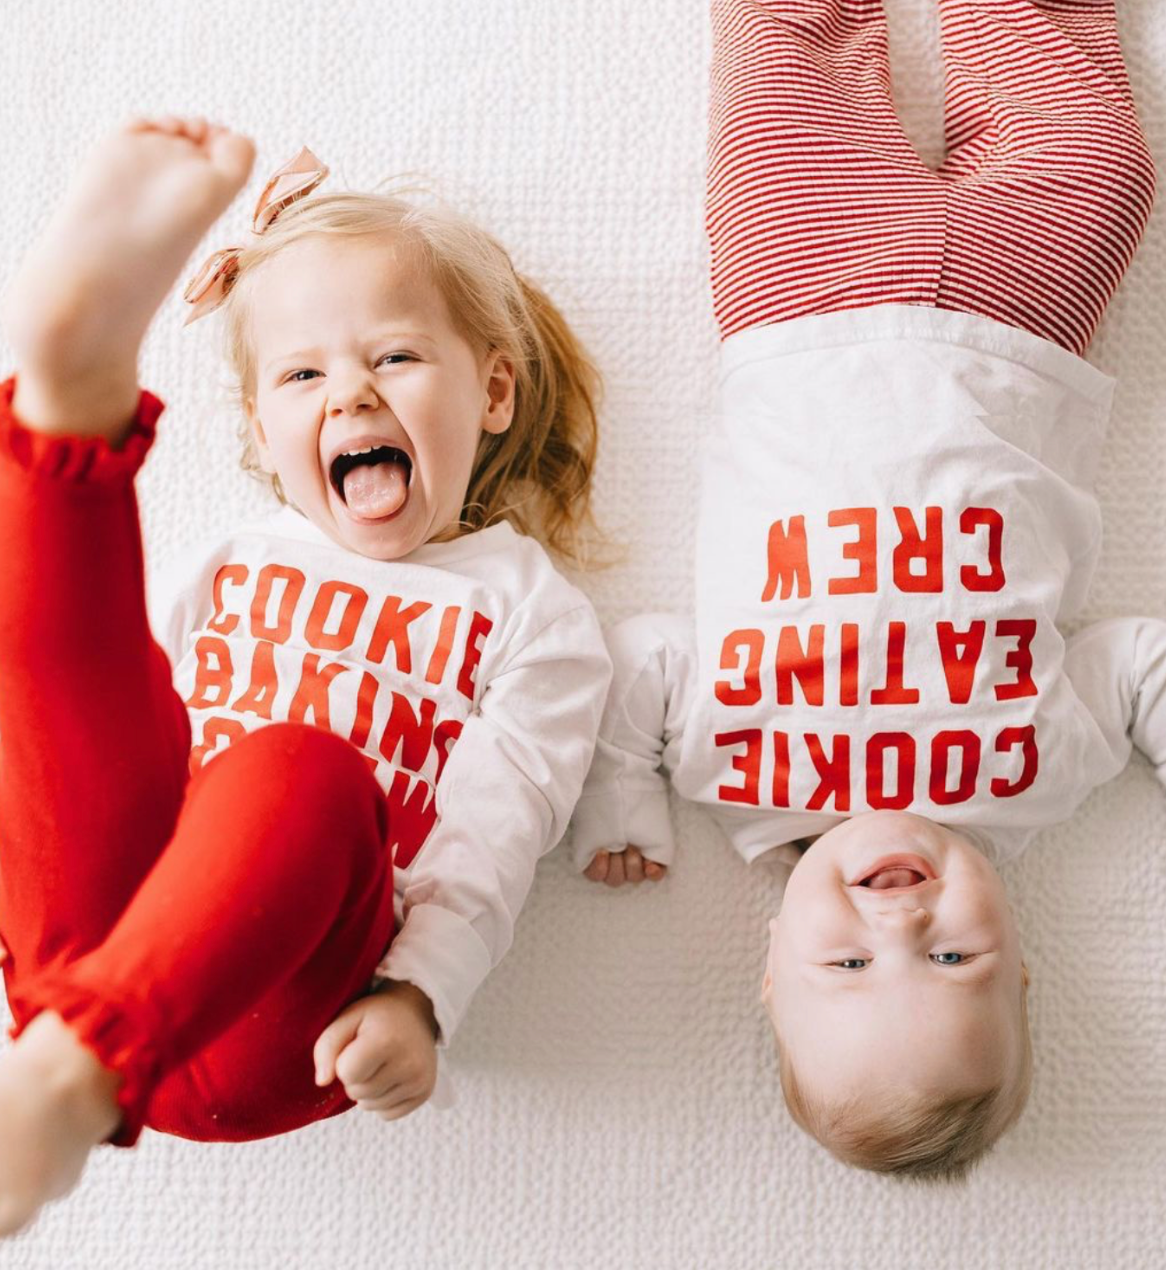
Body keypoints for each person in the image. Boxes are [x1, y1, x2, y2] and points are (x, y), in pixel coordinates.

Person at [574, 0, 1163, 1181]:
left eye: (846, 968)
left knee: (783, 63)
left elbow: (640, 660)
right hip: (1023, 325)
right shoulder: (1036, 771)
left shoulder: (731, 769)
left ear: (772, 958)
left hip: (803, 304)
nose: (898, 924)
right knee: (1097, 158)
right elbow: (1136, 661)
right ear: (1022, 959)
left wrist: (617, 796)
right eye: (952, 962)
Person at [0, 115, 612, 1236]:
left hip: (282, 1018)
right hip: (93, 936)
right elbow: (93, 743)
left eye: (393, 356)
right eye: (300, 373)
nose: (349, 395)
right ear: (259, 424)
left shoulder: (531, 610)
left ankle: (77, 1067)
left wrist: (421, 994)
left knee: (297, 771)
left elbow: (497, 826)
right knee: (82, 669)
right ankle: (70, 403)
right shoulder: (238, 556)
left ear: (492, 393)